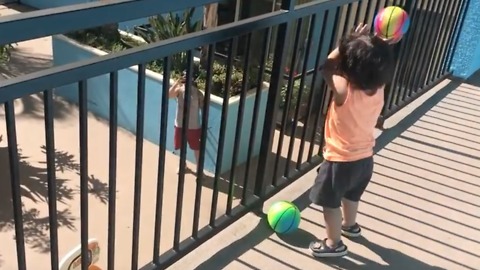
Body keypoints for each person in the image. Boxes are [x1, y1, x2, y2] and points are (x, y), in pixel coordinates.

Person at [308, 23, 396, 258]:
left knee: (330, 203)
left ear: (349, 66)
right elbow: (374, 62)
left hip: (340, 161)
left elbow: (327, 67)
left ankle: (333, 243)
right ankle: (350, 226)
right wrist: (379, 43)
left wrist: (343, 46)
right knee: (351, 195)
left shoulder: (344, 90)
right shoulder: (379, 88)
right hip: (365, 159)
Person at [169, 71, 204, 175]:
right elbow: (169, 94)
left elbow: (203, 108)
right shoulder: (179, 91)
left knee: (197, 148)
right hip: (180, 125)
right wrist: (176, 83)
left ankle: (199, 169)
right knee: (181, 146)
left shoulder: (198, 93)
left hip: (194, 126)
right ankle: (182, 165)